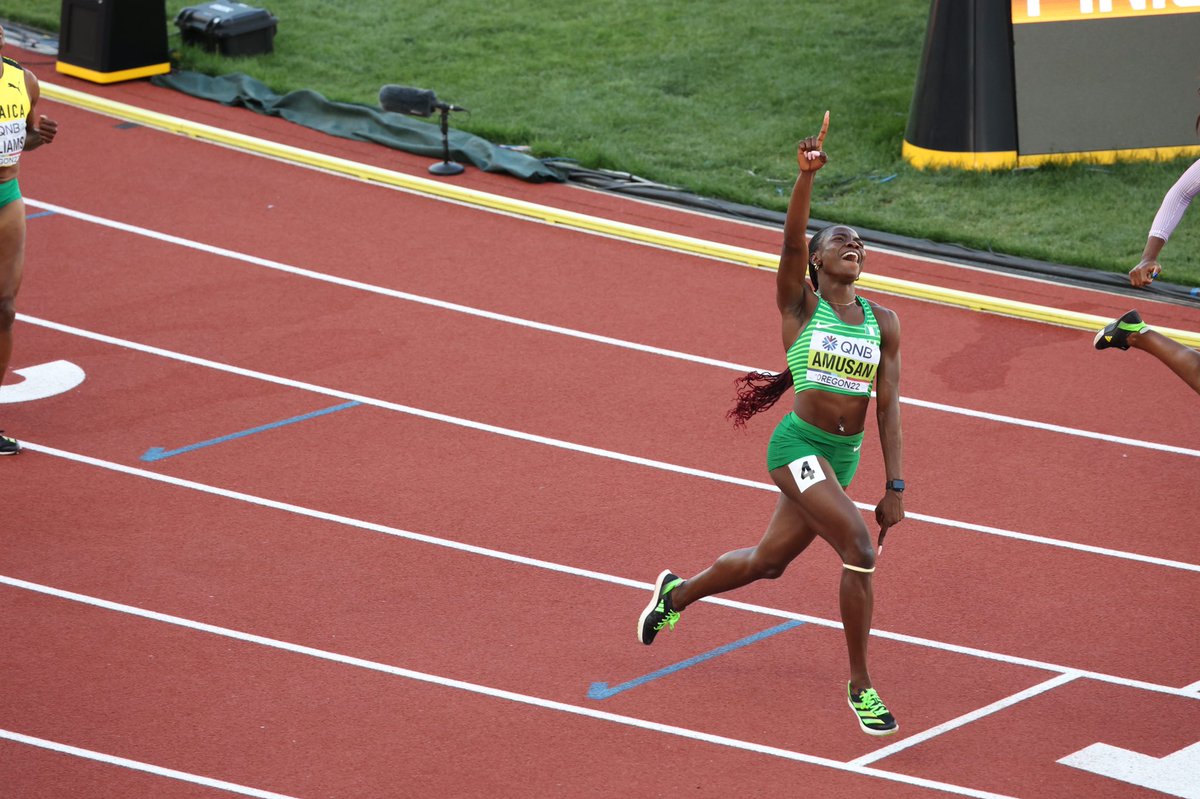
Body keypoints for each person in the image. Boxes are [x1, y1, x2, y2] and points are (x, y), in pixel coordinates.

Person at [637, 112, 906, 736]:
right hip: (796, 448)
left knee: (768, 563)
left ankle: (674, 595)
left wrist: (895, 487)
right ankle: (860, 686)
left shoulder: (883, 322)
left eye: (861, 242)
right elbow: (787, 244)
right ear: (816, 262)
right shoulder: (799, 305)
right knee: (859, 550)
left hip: (844, 459)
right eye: (841, 242)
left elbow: (889, 405)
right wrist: (803, 180)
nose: (855, 247)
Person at [0, 24, 58, 454]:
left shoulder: (24, 80)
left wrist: (39, 137)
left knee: (3, 310)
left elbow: (24, 137)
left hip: (6, 199)